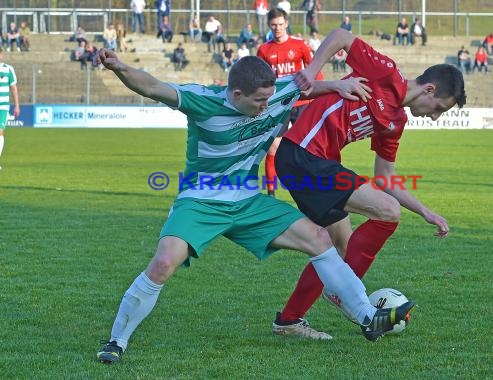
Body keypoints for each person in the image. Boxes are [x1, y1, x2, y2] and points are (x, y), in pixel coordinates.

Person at [94, 49, 414, 364]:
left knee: (319, 239)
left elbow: (304, 87)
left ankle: (369, 318)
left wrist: (336, 85)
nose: (267, 106)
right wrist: (119, 67)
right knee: (164, 263)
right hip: (202, 199)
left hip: (248, 201)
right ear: (236, 93)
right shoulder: (202, 100)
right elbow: (151, 86)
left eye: (269, 98)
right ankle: (116, 341)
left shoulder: (276, 93)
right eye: (259, 100)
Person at [271, 28, 465, 337]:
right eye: (439, 109)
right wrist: (311, 70)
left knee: (338, 247)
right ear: (429, 90)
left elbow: (385, 177)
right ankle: (345, 295)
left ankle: (289, 321)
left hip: (315, 164)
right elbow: (341, 36)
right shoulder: (385, 72)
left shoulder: (397, 123)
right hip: (302, 154)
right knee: (387, 211)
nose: (434, 117)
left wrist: (425, 211)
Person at [257, 7, 320, 196]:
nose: (277, 28)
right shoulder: (264, 50)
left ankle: (309, 189)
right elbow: (260, 78)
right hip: (279, 105)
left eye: (280, 25)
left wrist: (317, 93)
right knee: (272, 149)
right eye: (274, 25)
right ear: (269, 25)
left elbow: (314, 69)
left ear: (287, 24)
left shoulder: (300, 45)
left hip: (302, 104)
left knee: (308, 149)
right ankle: (271, 194)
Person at [0, 47, 20, 170]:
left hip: (2, 105)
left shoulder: (8, 69)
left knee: (0, 131)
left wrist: (17, 105)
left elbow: (13, 88)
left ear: (1, 55)